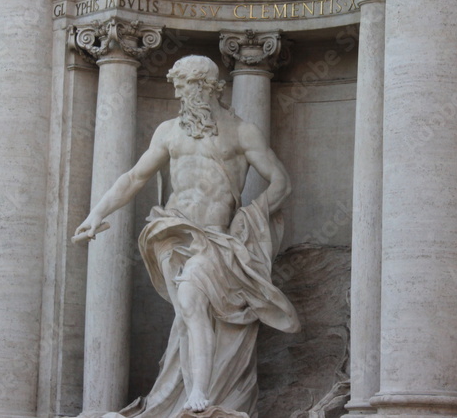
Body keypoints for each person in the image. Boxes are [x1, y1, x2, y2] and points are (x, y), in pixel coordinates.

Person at [75, 55, 299, 415]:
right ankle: (180, 396)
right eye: (178, 87)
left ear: (206, 87)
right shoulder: (168, 131)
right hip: (172, 233)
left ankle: (199, 391)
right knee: (186, 315)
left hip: (215, 238)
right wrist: (97, 213)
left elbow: (280, 182)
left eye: (185, 86)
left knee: (193, 298)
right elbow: (134, 177)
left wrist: (250, 216)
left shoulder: (242, 131)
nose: (180, 95)